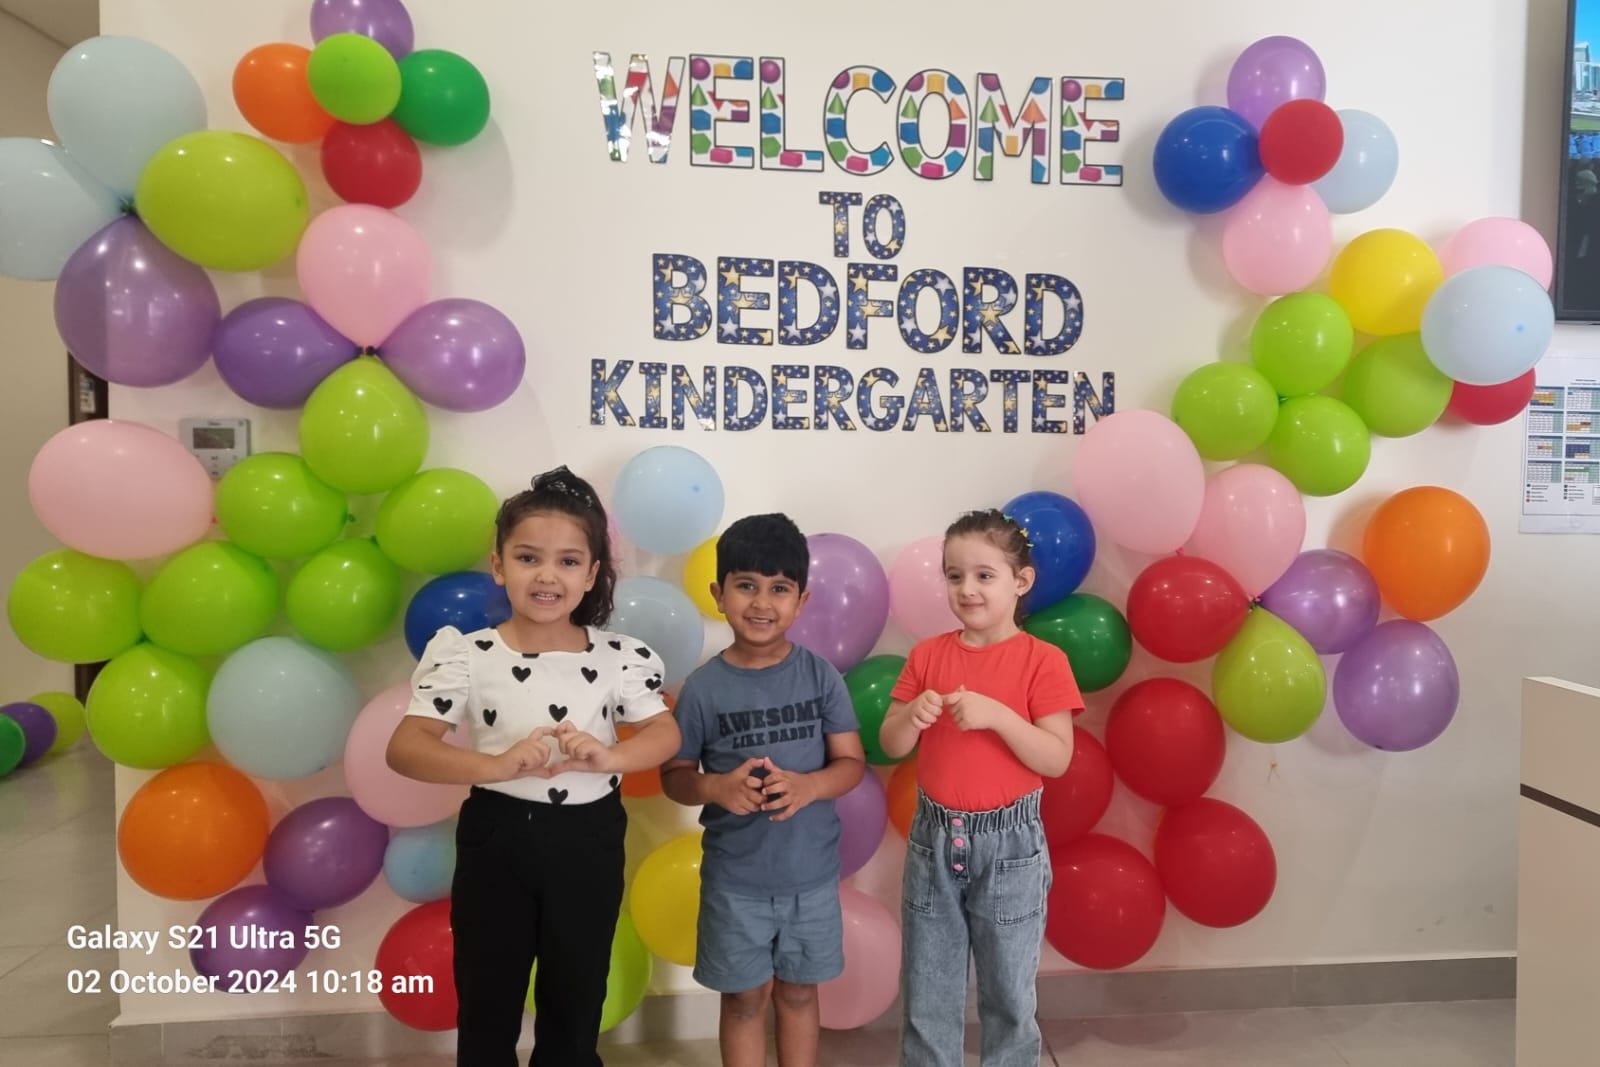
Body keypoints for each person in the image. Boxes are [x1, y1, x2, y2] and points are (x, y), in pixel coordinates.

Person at [387, 466, 682, 1067]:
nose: (548, 576)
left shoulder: (617, 657)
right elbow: (406, 746)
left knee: (577, 989)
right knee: (488, 990)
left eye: (568, 561)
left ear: (591, 574)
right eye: (528, 558)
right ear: (499, 565)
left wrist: (611, 756)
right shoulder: (470, 654)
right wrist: (496, 766)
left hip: (590, 839)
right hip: (497, 837)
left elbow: (664, 732)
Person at [877, 508, 1082, 1067]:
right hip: (934, 842)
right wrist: (910, 718)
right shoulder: (928, 655)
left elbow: (1057, 758)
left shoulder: (1043, 661)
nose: (967, 589)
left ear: (1021, 581)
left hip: (1010, 847)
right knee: (928, 992)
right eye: (954, 575)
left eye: (984, 575)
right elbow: (891, 742)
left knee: (1009, 995)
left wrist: (1000, 717)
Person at [660, 513, 866, 1067]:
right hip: (735, 884)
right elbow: (674, 777)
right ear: (718, 594)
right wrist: (716, 787)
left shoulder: (820, 676)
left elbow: (851, 763)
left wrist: (809, 785)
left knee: (798, 993)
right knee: (744, 1000)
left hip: (811, 879)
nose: (761, 602)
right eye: (746, 585)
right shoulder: (703, 688)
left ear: (802, 600)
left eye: (779, 589)